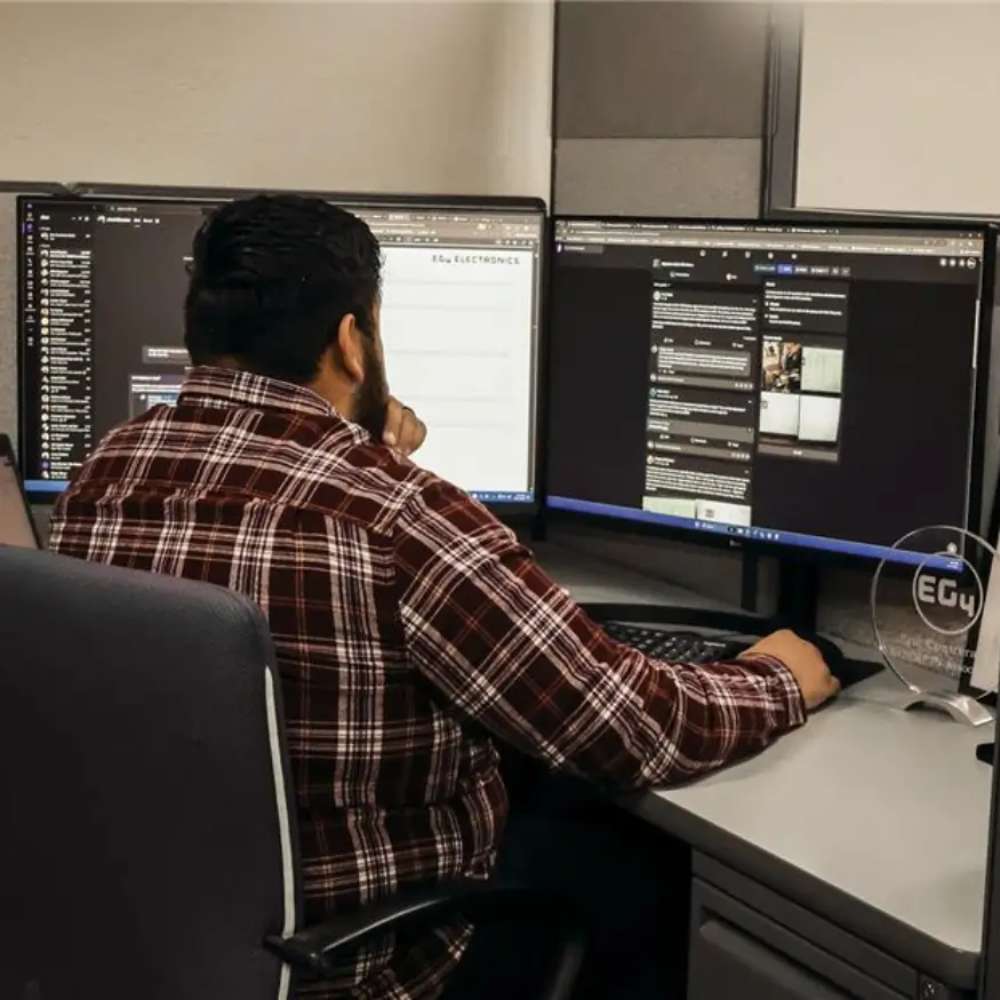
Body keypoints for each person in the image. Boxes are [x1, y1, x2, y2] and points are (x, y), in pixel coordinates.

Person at [48, 195, 839, 1000]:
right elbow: (633, 729)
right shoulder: (401, 519)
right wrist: (778, 677)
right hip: (370, 965)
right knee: (636, 867)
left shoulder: (103, 474)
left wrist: (356, 444)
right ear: (354, 343)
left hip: (177, 947)